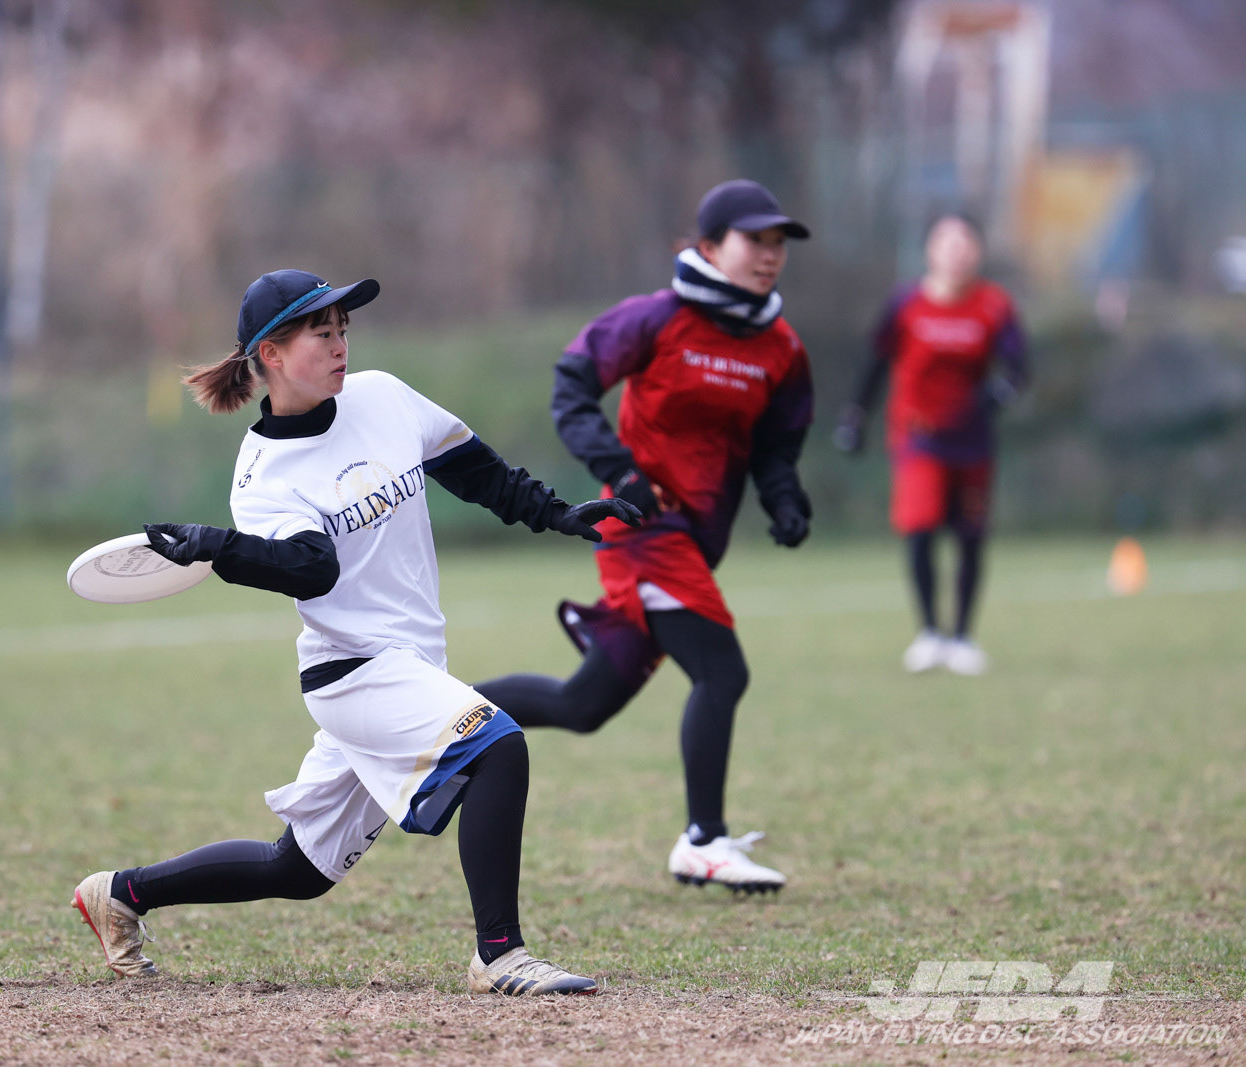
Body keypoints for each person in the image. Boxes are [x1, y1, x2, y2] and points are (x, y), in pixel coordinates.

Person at [70, 269, 641, 995]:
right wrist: (219, 545)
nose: (341, 344)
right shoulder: (265, 474)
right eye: (322, 332)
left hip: (410, 664)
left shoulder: (383, 396)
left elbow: (473, 469)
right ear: (271, 353)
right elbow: (311, 569)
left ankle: (121, 892)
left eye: (344, 329)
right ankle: (500, 955)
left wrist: (555, 512)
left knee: (297, 869)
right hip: (354, 674)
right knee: (498, 744)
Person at [474, 179, 814, 895]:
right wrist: (619, 469)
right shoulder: (656, 319)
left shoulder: (782, 347)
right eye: (755, 240)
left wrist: (784, 499)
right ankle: (703, 841)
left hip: (695, 542)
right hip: (644, 532)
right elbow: (571, 385)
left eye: (779, 243)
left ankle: (432, 718)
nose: (770, 255)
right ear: (710, 246)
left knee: (583, 706)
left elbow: (777, 447)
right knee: (723, 672)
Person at [833, 213, 1029, 676]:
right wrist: (856, 415)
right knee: (920, 528)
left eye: (965, 244)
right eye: (947, 244)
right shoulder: (906, 304)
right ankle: (929, 634)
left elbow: (1019, 368)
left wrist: (996, 395)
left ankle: (962, 637)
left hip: (974, 441)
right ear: (930, 252)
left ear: (978, 252)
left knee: (971, 536)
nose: (957, 253)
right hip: (919, 437)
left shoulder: (994, 306)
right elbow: (876, 361)